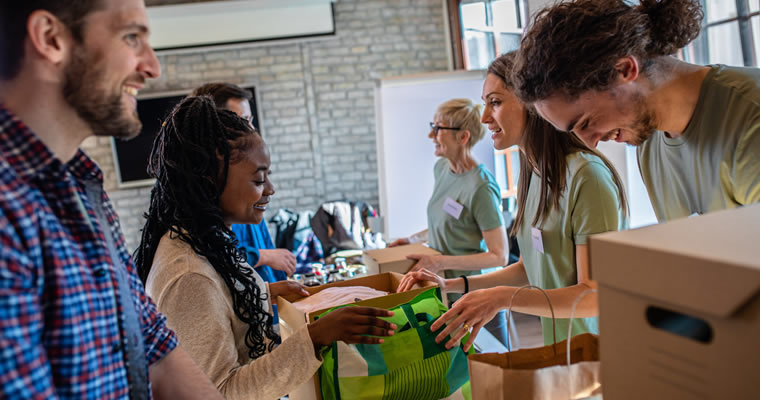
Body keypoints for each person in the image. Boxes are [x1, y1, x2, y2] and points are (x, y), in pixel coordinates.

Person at [0, 1, 223, 398]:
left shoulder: (84, 187)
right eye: (131, 37)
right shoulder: (8, 209)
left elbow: (152, 345)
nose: (152, 67)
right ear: (51, 39)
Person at [134, 96, 396, 399]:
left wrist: (265, 293)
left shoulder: (206, 240)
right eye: (259, 179)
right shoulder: (190, 275)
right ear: (210, 180)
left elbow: (218, 308)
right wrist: (316, 337)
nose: (270, 189)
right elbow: (220, 392)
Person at [399, 52, 628, 350]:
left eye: (495, 102)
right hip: (558, 353)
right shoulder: (534, 174)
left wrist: (502, 298)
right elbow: (528, 268)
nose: (484, 118)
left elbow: (593, 297)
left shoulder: (587, 177)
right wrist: (453, 285)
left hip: (599, 358)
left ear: (533, 104)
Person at [513, 0, 760, 222]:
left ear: (624, 70)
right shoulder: (649, 142)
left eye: (586, 123)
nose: (592, 142)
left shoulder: (749, 115)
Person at [388, 98, 510, 344]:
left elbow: (499, 255)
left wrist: (437, 260)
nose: (431, 134)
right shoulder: (442, 169)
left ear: (462, 137)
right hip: (445, 286)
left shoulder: (482, 187)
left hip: (476, 293)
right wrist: (412, 240)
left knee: (494, 364)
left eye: (439, 128)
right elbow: (446, 220)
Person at [191, 82, 296, 283]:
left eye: (251, 120)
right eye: (243, 120)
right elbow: (219, 251)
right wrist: (265, 256)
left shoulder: (247, 190)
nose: (251, 129)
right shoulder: (217, 195)